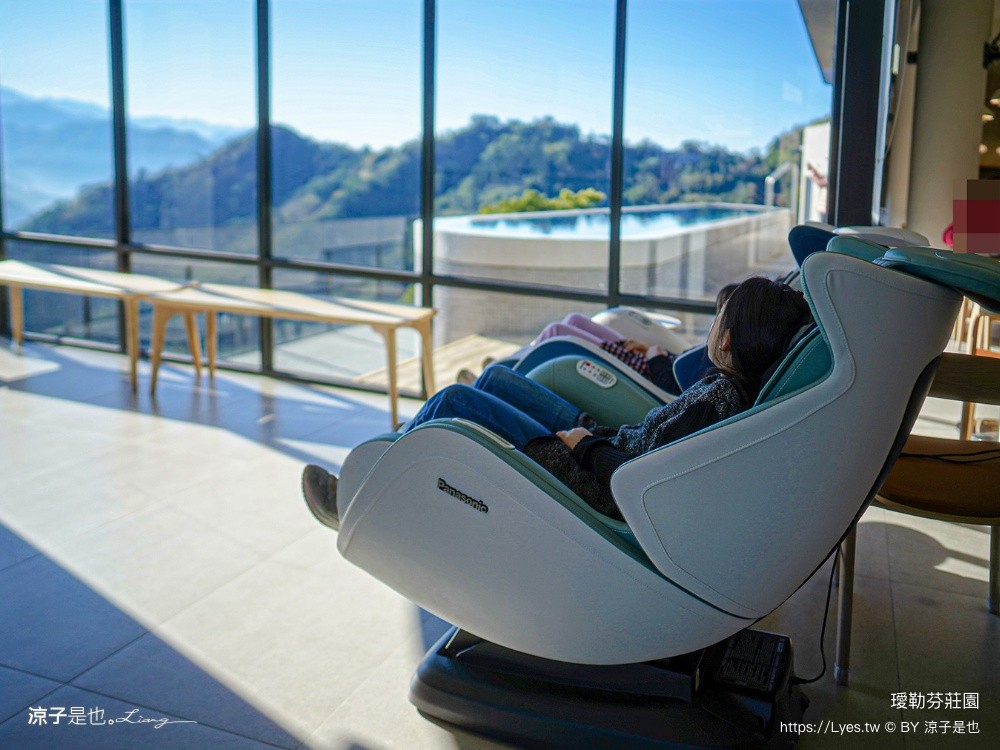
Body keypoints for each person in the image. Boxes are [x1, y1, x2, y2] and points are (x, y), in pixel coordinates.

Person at [302, 276, 812, 528]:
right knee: (499, 378)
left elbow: (633, 479)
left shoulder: (715, 402)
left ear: (727, 342)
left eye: (719, 321)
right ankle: (407, 443)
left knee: (455, 398)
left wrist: (584, 444)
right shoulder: (730, 392)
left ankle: (360, 495)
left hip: (584, 468)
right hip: (603, 444)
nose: (713, 325)